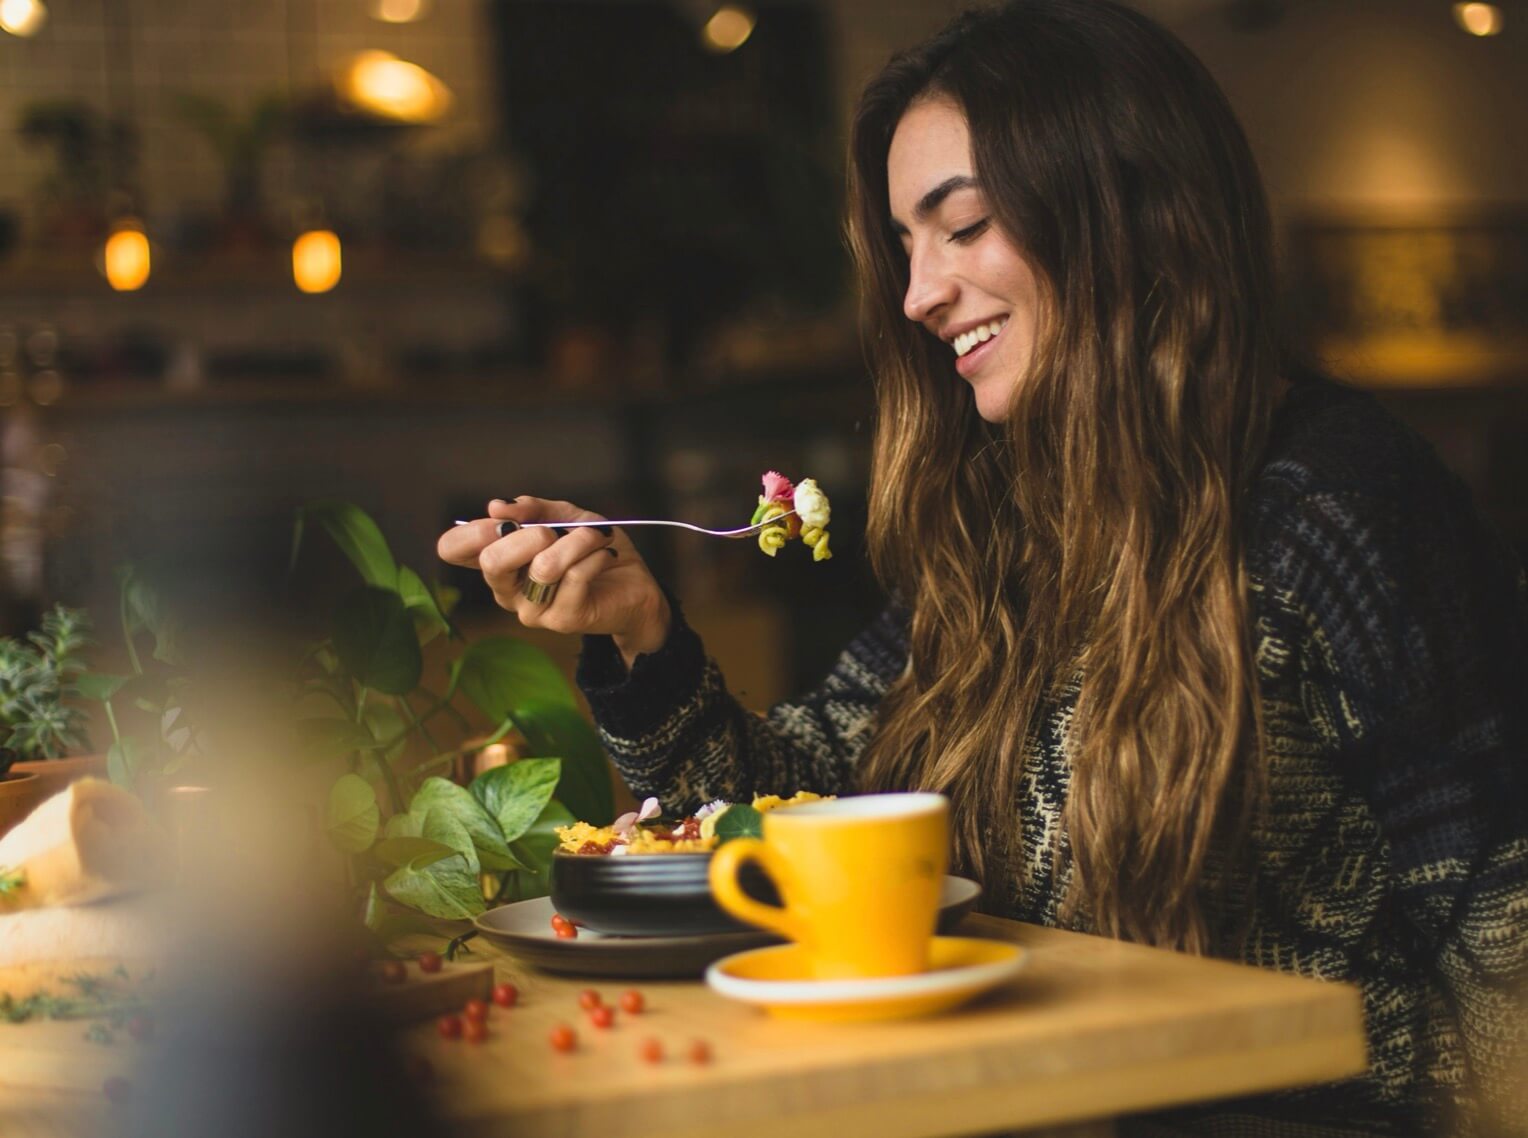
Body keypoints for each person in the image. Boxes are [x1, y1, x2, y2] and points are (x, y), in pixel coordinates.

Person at [439, 2, 1528, 1133]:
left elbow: (1504, 933)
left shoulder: (1339, 503)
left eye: (960, 226)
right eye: (907, 246)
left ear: (1124, 210)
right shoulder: (1005, 520)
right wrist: (641, 635)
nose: (917, 295)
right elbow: (814, 817)